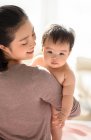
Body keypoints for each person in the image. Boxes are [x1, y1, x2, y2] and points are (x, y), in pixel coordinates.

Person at [0, 5, 63, 140]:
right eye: (24, 42)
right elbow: (73, 110)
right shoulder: (39, 77)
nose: (33, 42)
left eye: (33, 34)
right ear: (3, 47)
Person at [31, 24, 81, 140]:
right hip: (38, 102)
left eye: (61, 53)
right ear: (43, 48)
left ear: (69, 53)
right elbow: (29, 79)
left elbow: (68, 96)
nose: (55, 58)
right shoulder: (38, 60)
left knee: (55, 124)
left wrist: (64, 114)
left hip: (56, 107)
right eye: (50, 52)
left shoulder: (67, 74)